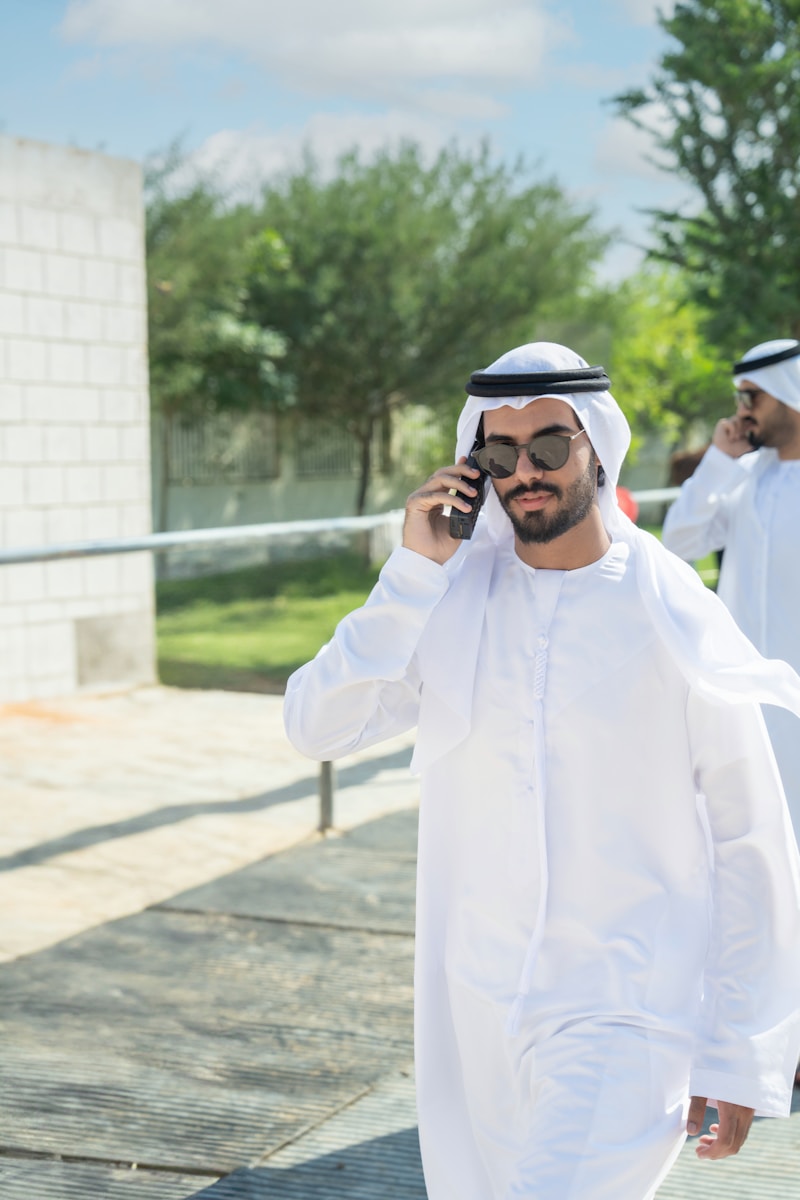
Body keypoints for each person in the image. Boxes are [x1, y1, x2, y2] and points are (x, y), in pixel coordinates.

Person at [284, 342, 800, 1200]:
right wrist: (410, 574)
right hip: (476, 1010)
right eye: (499, 454)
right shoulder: (448, 601)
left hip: (625, 1010)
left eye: (550, 448)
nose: (526, 471)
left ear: (597, 448)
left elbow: (751, 837)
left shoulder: (669, 606)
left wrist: (743, 1049)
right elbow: (315, 725)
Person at [662, 338, 800, 846]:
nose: (741, 413)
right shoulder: (740, 478)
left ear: (791, 394)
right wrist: (718, 461)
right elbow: (679, 543)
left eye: (752, 398)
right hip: (748, 698)